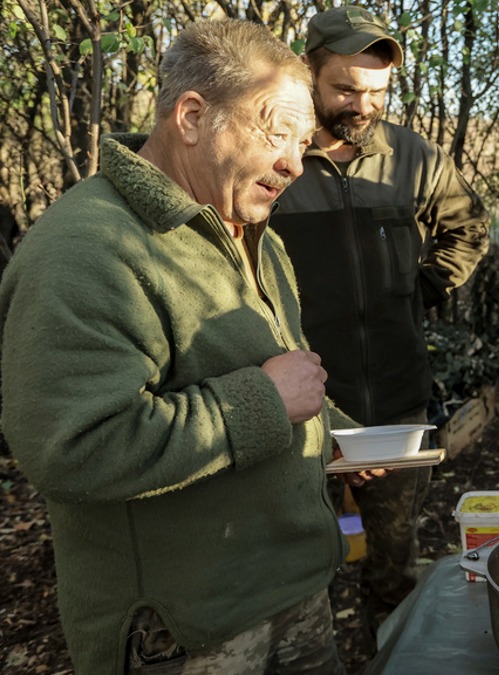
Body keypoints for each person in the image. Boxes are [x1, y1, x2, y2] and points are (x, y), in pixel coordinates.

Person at [0, 20, 354, 674]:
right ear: (192, 115)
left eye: (304, 144)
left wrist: (339, 436)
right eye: (278, 134)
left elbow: (268, 375)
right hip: (189, 629)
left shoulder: (256, 235)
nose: (295, 163)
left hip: (294, 587)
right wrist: (264, 403)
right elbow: (72, 447)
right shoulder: (86, 249)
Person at [270, 5, 490, 629]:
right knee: (299, 573)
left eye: (377, 91)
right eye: (344, 87)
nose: (362, 106)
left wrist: (420, 291)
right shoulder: (274, 162)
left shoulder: (412, 158)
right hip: (301, 409)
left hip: (396, 400)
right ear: (306, 72)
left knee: (393, 562)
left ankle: (387, 646)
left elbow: (468, 227)